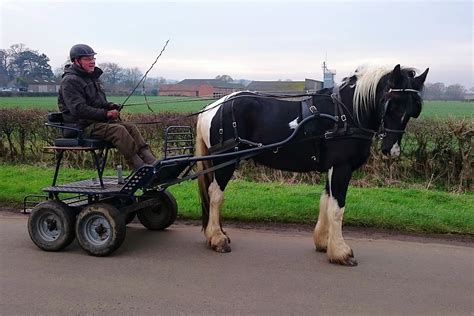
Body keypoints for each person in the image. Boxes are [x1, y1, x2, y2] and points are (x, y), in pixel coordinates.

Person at [58, 44, 157, 171]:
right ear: (76, 61)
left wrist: (110, 106)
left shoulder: (92, 79)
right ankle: (139, 167)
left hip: (96, 124)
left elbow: (98, 103)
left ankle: (152, 162)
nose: (92, 62)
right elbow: (78, 109)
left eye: (93, 58)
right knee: (118, 130)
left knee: (130, 127)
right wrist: (106, 114)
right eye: (88, 59)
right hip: (80, 128)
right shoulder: (70, 81)